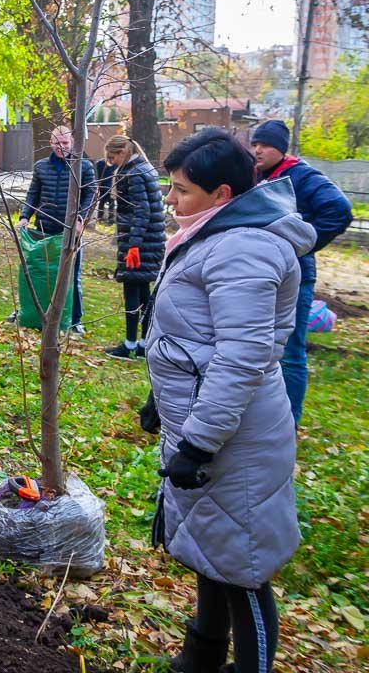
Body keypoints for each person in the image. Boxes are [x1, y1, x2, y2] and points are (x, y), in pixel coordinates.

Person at [148, 128, 314, 673]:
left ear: (221, 194)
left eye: (181, 190)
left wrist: (198, 441)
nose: (171, 200)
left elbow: (241, 359)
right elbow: (195, 337)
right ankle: (202, 655)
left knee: (242, 567)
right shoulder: (212, 233)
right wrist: (161, 399)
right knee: (212, 548)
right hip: (206, 420)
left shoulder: (243, 247)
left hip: (233, 436)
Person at [250, 119, 352, 425]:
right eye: (254, 144)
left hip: (295, 272)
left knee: (291, 350)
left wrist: (304, 244)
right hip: (261, 270)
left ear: (281, 149)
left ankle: (288, 423)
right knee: (259, 346)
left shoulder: (301, 175)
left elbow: (339, 210)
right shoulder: (257, 175)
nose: (257, 150)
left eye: (265, 145)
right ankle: (263, 415)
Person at [18, 125, 97, 333]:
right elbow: (33, 194)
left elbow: (91, 195)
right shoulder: (41, 167)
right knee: (39, 272)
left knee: (72, 275)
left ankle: (75, 319)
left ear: (72, 143)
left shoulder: (84, 167)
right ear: (50, 143)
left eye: (65, 143)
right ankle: (36, 311)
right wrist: (25, 216)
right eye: (56, 143)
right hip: (44, 227)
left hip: (71, 230)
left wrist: (80, 219)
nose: (61, 147)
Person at [103, 134, 165, 360]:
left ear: (122, 152)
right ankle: (143, 343)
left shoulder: (135, 173)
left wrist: (134, 245)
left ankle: (130, 345)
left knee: (131, 289)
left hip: (138, 242)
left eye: (112, 157)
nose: (111, 162)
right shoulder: (144, 168)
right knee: (143, 293)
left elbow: (142, 211)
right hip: (150, 240)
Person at [95, 156, 116, 224]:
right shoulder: (100, 163)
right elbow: (96, 175)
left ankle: (110, 220)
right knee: (102, 203)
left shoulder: (115, 163)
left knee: (111, 203)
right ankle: (100, 218)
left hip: (111, 187)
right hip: (103, 187)